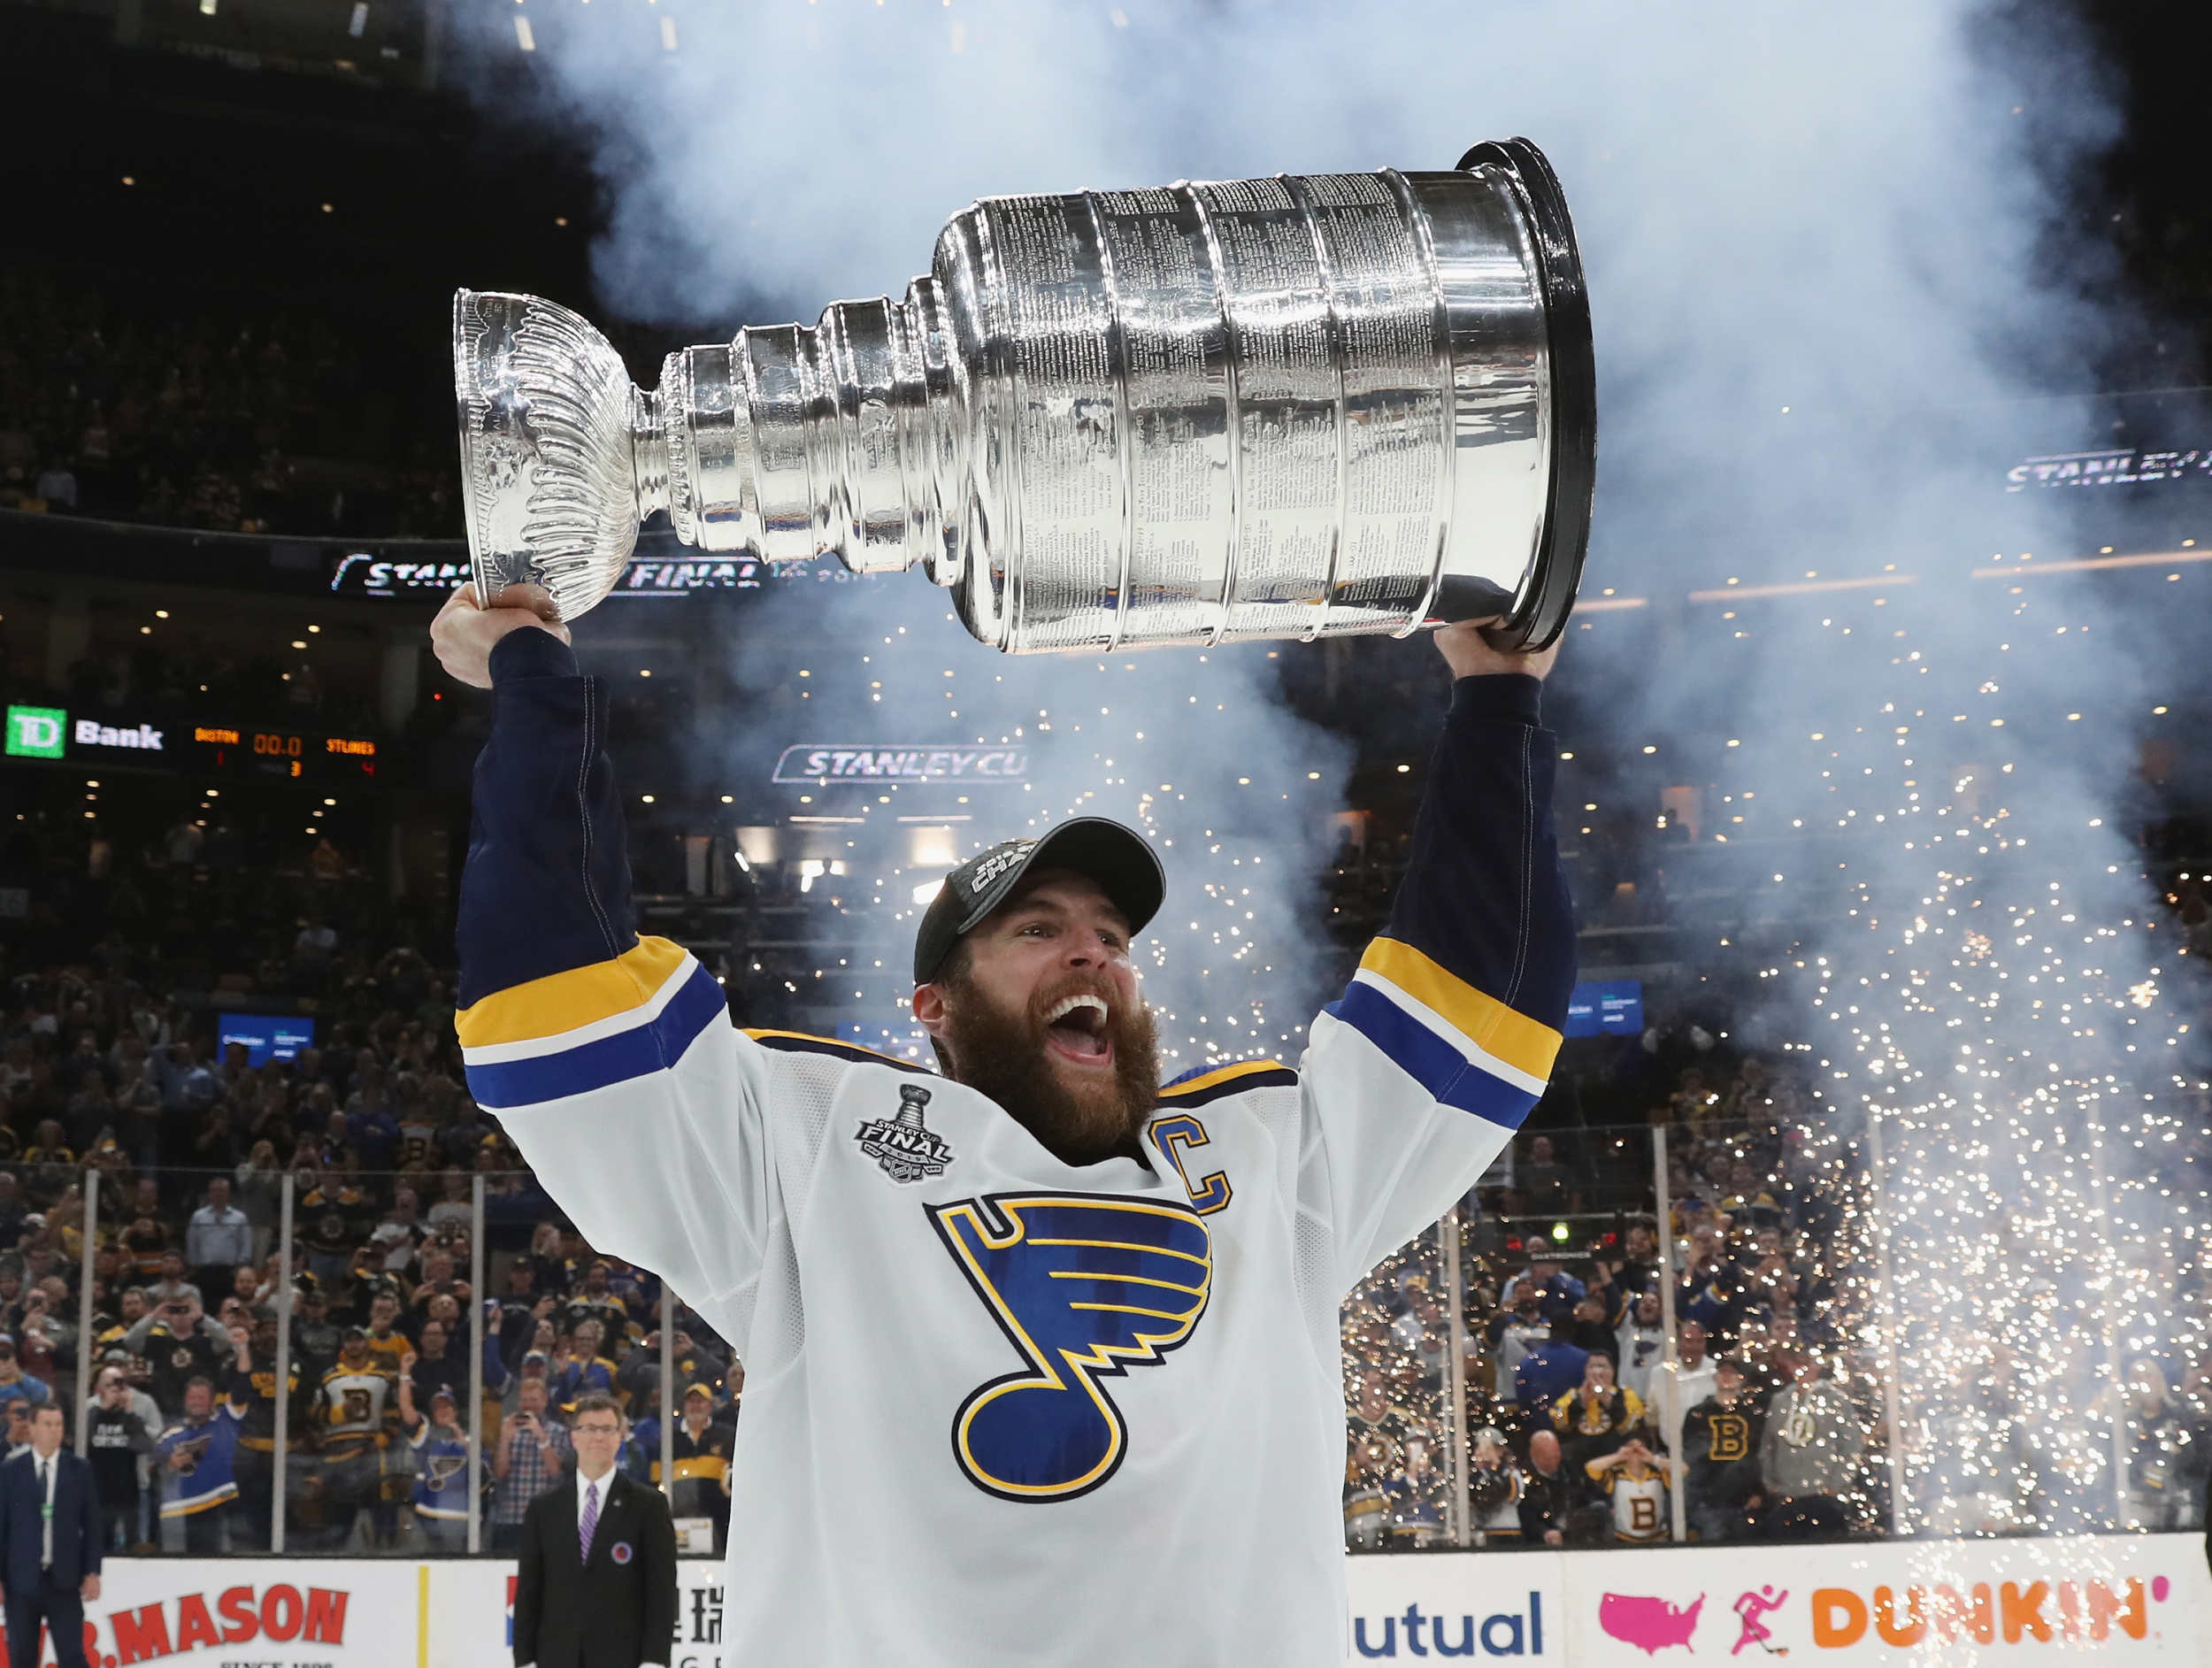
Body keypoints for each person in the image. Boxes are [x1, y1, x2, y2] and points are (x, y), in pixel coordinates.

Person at [435, 585, 1571, 1664]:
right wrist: (532, 674)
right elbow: (562, 995)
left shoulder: (1269, 1160)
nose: (1094, 952)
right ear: (933, 1008)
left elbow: (1478, 999)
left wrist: (1498, 691)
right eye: (1038, 927)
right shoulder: (810, 1143)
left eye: (1113, 937)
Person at [513, 1394, 676, 1668]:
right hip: (556, 1655)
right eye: (589, 1429)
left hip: (623, 1657)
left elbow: (661, 1590)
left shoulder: (648, 1505)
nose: (598, 1438)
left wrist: (655, 1659)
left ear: (619, 1437)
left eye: (607, 1430)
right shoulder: (545, 1508)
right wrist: (524, 1658)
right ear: (574, 1437)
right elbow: (529, 1588)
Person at [0, 1405, 101, 1668]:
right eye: (47, 1424)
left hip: (64, 1580)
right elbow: (2, 1527)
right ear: (32, 1429)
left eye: (59, 1424)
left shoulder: (80, 1469)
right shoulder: (11, 1470)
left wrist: (92, 1572)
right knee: (22, 1657)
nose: (54, 1431)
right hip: (21, 1581)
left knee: (73, 1656)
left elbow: (92, 1525)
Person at [152, 1326, 253, 1554]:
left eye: (201, 1397)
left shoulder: (225, 1422)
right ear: (185, 1400)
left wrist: (243, 1349)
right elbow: (153, 1466)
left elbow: (242, 1387)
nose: (196, 1401)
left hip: (215, 1509)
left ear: (211, 1401)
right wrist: (169, 1464)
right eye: (192, 1397)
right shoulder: (171, 1434)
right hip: (174, 1514)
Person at [1758, 1353, 1866, 1540]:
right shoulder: (1779, 1402)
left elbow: (1851, 1446)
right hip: (1787, 1495)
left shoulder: (1837, 1400)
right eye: (1796, 1363)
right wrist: (1771, 1483)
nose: (1802, 1368)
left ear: (1816, 1366)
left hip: (1825, 1496)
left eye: (1807, 1363)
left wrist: (1836, 1486)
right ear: (1789, 1366)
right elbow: (1768, 1446)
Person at [1684, 1358, 1764, 1542]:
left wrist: (1758, 1492)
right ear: (1715, 1377)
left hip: (1743, 1498)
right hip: (1709, 1498)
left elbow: (1758, 1455)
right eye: (1723, 1372)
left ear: (1741, 1379)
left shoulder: (1751, 1415)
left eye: (1732, 1373)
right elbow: (1691, 1458)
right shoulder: (1697, 1415)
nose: (1727, 1377)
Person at [492, 1379, 571, 1554]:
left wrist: (541, 1437)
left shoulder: (557, 1432)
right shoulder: (511, 1430)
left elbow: (557, 1472)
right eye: (525, 1400)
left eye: (534, 1400)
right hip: (512, 1516)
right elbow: (500, 1472)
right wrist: (505, 1440)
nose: (529, 1405)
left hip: (546, 1518)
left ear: (544, 1401)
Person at [657, 1384, 734, 1554]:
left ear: (710, 1406)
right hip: (678, 1514)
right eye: (691, 1401)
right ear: (684, 1406)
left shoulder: (728, 1436)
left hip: (719, 1517)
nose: (695, 1405)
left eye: (701, 1401)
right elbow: (656, 1478)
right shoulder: (669, 1438)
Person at [83, 1366, 155, 1551]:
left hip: (128, 1497)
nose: (114, 1391)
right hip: (97, 1494)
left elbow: (143, 1446)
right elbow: (83, 1439)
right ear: (98, 1388)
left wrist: (129, 1411)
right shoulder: (90, 1411)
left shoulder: (131, 1416)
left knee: (133, 1549)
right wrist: (104, 1410)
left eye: (119, 1386)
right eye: (109, 1386)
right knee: (99, 1547)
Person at [1586, 1437, 1678, 1543]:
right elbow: (1591, 1468)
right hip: (1625, 1539)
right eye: (1631, 1447)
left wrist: (1653, 1459)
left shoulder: (1658, 1473)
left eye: (1641, 1447)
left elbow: (1683, 1469)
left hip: (1658, 1538)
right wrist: (1618, 1457)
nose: (1636, 1450)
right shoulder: (1617, 1475)